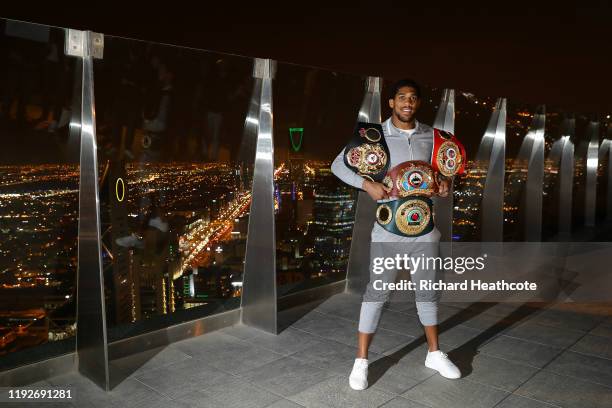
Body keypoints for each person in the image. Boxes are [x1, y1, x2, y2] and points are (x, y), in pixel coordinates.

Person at [331, 79, 461, 391]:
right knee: (376, 294)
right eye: (401, 97)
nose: (407, 102)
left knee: (427, 293)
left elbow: (442, 178)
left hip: (425, 230)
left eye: (413, 98)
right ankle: (361, 361)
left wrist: (445, 187)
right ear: (391, 102)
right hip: (388, 231)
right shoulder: (372, 135)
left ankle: (434, 353)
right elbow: (338, 165)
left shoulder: (435, 136)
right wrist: (367, 184)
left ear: (418, 103)